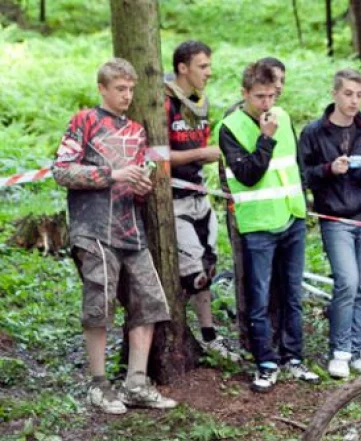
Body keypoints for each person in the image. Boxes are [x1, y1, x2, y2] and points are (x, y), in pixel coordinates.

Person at [52, 58, 178, 414]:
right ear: (102, 89)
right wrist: (113, 174)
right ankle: (97, 385)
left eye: (131, 89)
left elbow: (137, 178)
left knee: (151, 301)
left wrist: (142, 185)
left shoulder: (138, 131)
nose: (127, 95)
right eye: (120, 89)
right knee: (100, 302)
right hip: (92, 228)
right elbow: (61, 170)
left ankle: (136, 383)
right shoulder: (85, 121)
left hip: (131, 229)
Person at [217, 61, 319, 393]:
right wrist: (265, 139)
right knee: (259, 297)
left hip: (291, 216)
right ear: (244, 93)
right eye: (260, 96)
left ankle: (294, 357)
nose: (267, 103)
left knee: (292, 294)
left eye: (271, 96)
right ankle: (265, 362)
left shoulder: (283, 116)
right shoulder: (229, 127)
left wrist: (305, 204)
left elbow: (296, 164)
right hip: (258, 223)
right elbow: (248, 174)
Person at [299, 68, 361, 379]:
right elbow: (304, 175)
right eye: (348, 94)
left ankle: (358, 349)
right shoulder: (314, 132)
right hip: (335, 217)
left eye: (360, 95)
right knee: (346, 282)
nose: (354, 101)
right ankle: (339, 350)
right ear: (335, 93)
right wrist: (329, 169)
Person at [165, 41, 238, 363]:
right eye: (203, 66)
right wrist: (199, 154)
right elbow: (155, 156)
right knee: (190, 272)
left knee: (208, 266)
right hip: (172, 199)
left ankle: (209, 336)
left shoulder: (200, 102)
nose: (209, 72)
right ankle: (172, 335)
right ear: (183, 67)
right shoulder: (163, 103)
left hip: (199, 192)